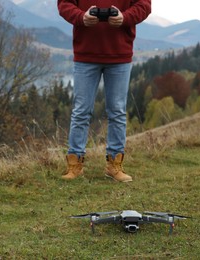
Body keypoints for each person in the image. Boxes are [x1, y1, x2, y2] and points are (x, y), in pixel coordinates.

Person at [58, 0, 151, 182]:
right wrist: (81, 17)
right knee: (81, 111)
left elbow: (144, 5)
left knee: (117, 112)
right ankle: (75, 166)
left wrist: (125, 18)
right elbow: (64, 4)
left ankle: (114, 166)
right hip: (86, 55)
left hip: (120, 55)